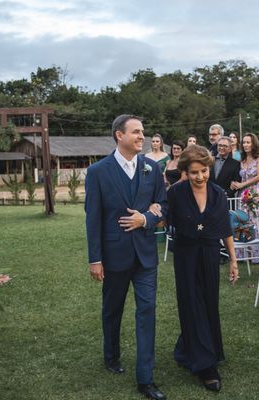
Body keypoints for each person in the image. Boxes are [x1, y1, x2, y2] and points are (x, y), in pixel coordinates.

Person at [85, 114, 168, 400]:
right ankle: (111, 355)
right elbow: (92, 218)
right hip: (113, 254)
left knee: (147, 311)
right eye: (136, 132)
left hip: (146, 254)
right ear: (119, 136)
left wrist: (144, 219)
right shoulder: (98, 171)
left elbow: (163, 206)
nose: (142, 137)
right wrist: (94, 259)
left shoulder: (151, 169)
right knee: (112, 309)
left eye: (143, 132)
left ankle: (145, 379)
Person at [167, 145, 238, 392]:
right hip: (185, 255)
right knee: (191, 303)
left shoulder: (219, 194)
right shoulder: (175, 194)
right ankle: (205, 366)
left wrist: (233, 259)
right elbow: (164, 217)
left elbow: (225, 229)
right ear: (185, 172)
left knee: (208, 302)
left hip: (209, 254)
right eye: (194, 172)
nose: (200, 177)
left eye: (204, 171)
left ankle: (193, 348)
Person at [231, 133, 259, 197]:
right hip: (242, 192)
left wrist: (243, 184)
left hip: (256, 192)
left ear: (254, 144)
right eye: (244, 143)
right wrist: (233, 183)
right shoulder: (241, 158)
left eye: (248, 142)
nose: (245, 145)